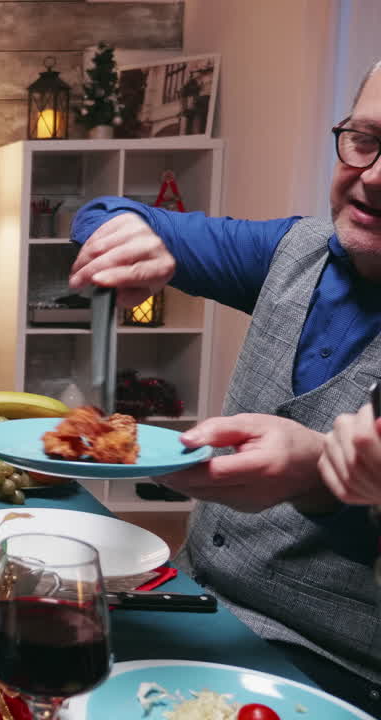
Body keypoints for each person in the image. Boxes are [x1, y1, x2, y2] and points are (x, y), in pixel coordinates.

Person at [67, 63, 381, 713]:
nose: (374, 176)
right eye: (365, 139)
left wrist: (319, 475)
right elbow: (100, 210)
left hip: (333, 667)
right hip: (196, 605)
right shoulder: (291, 250)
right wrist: (128, 236)